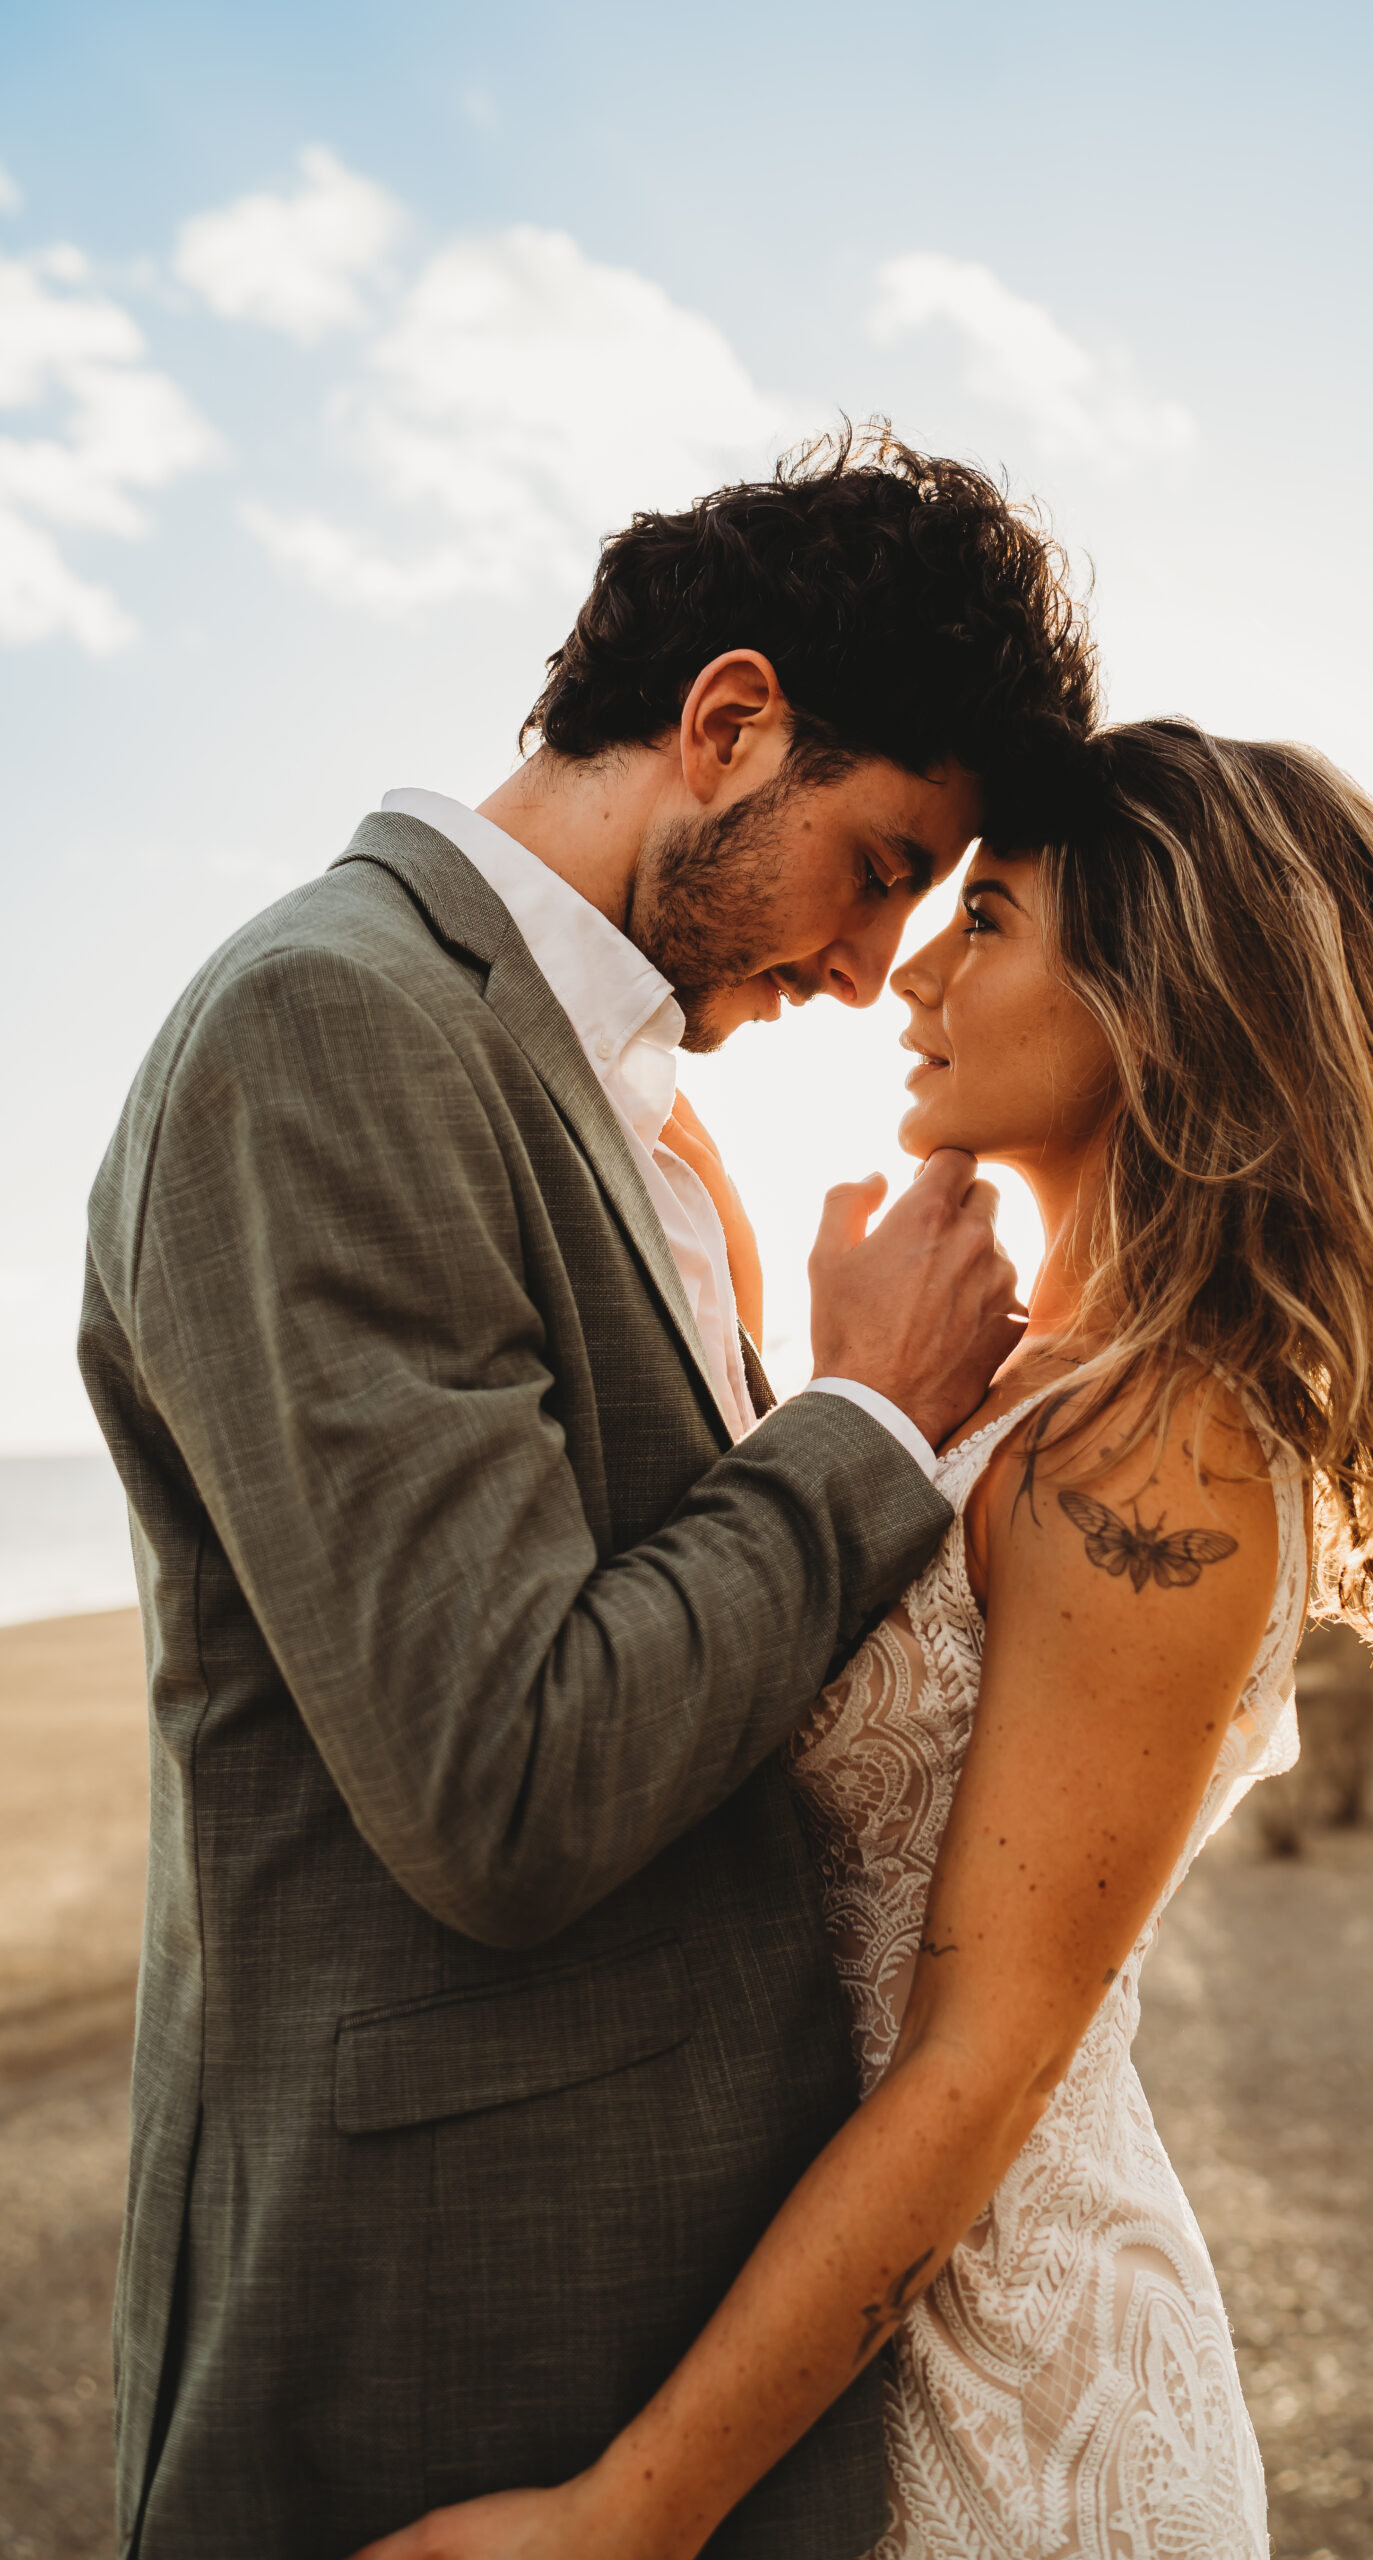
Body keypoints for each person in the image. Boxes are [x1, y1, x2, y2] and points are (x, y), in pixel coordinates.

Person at [357, 718, 1373, 2560]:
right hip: (840, 2350)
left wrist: (625, 2515)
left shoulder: (1166, 1445)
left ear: (1153, 1008)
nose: (913, 971)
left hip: (1019, 2410)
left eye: (989, 919)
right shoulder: (1015, 1396)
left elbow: (985, 2060)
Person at [77, 426, 1100, 2560]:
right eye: (885, 860)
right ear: (724, 721)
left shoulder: (617, 1104)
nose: (864, 961)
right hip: (437, 2343)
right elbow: (507, 1776)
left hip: (658, 2330)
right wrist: (871, 1426)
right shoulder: (329, 1027)